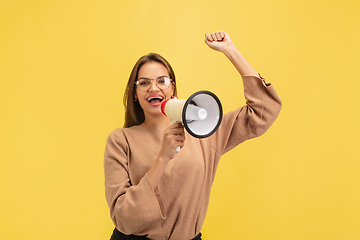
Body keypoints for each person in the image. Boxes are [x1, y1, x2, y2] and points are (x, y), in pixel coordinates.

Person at [104, 31, 282, 240]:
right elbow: (124, 218)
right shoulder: (120, 140)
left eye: (162, 81)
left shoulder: (203, 130)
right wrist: (163, 157)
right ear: (135, 93)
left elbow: (264, 110)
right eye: (143, 83)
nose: (153, 87)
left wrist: (230, 50)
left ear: (173, 88)